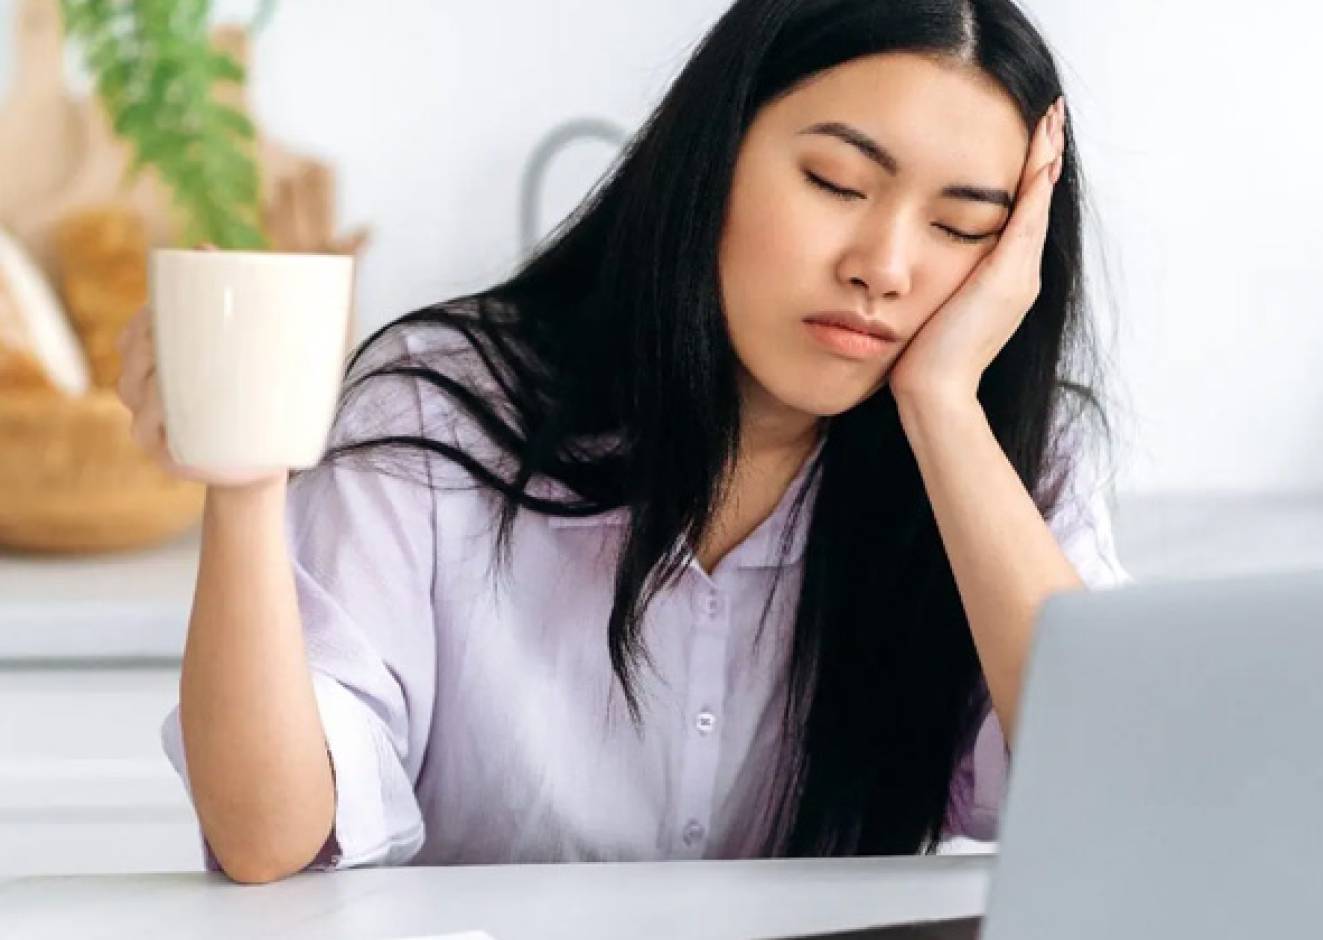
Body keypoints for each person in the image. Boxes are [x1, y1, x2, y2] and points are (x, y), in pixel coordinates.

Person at [115, 0, 1129, 885]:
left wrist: (945, 406)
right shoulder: (442, 412)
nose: (887, 266)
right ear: (713, 154)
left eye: (961, 228)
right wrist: (244, 482)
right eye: (835, 181)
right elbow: (268, 840)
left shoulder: (1014, 463)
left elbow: (1110, 796)